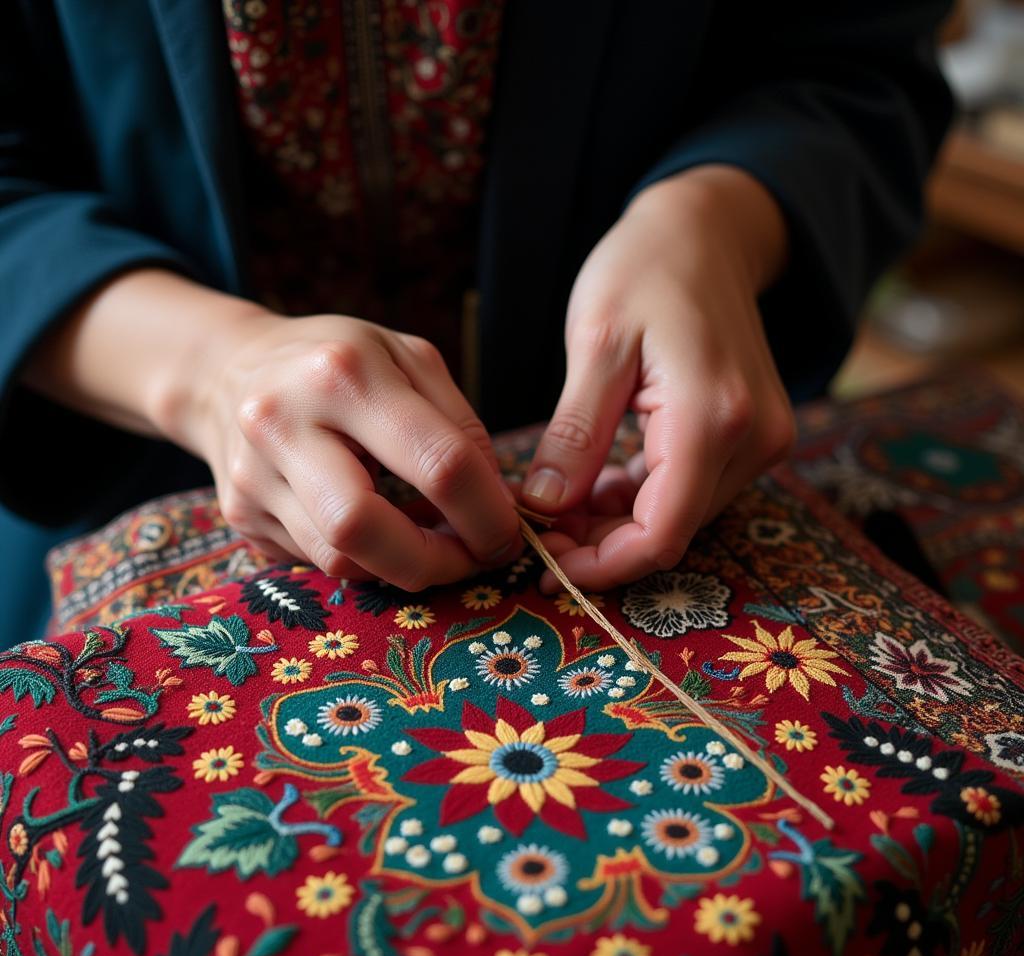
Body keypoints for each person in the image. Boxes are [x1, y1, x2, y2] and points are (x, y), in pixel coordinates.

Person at [0, 1, 954, 648]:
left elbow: (856, 59)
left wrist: (715, 218)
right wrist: (205, 368)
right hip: (120, 475)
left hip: (643, 461)